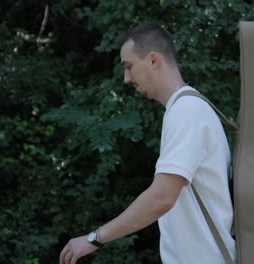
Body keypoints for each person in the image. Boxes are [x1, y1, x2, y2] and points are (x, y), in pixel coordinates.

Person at [59, 23, 236, 264]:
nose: (126, 78)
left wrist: (95, 238)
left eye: (129, 67)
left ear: (153, 60)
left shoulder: (187, 110)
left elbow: (162, 197)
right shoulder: (186, 108)